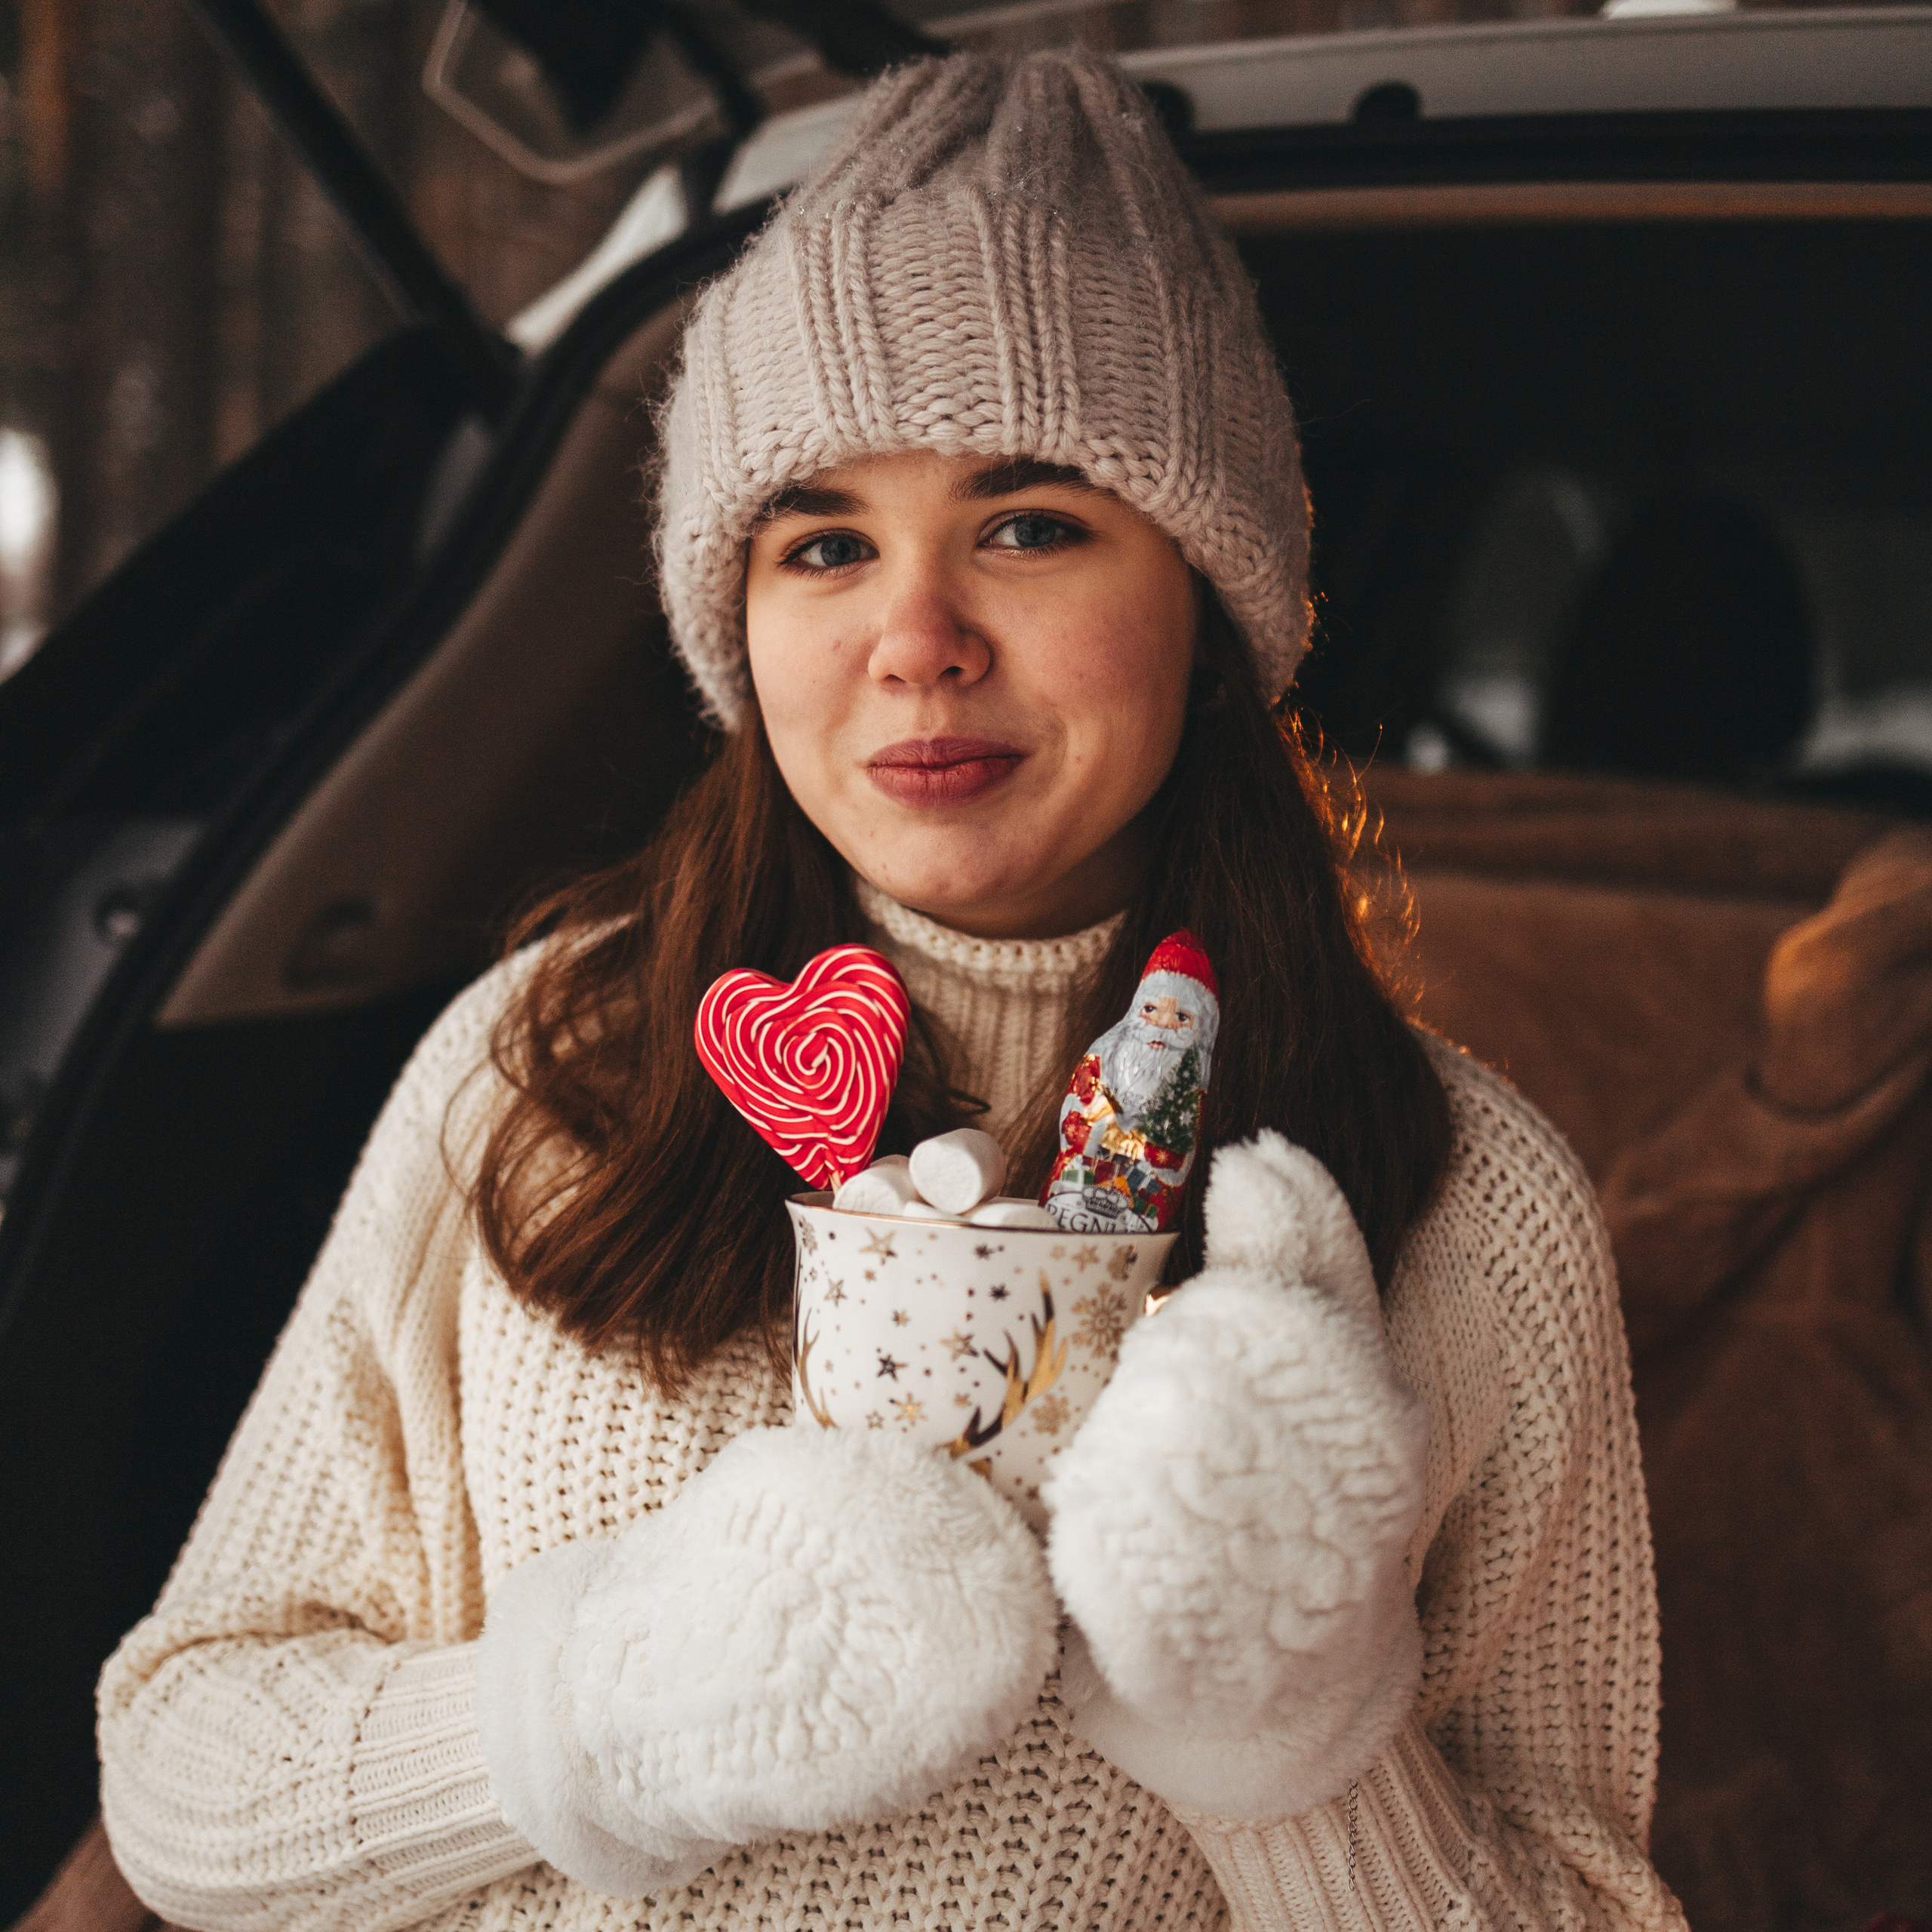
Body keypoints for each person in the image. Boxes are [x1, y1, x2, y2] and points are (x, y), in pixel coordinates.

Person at [96, 51, 1684, 1932]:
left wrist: (1295, 1743)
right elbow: (191, 1781)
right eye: (825, 542)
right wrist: (603, 1711)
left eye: (1027, 524)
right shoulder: (548, 1065)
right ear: (736, 619)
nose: (915, 643)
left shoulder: (1460, 1198)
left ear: (1208, 585)